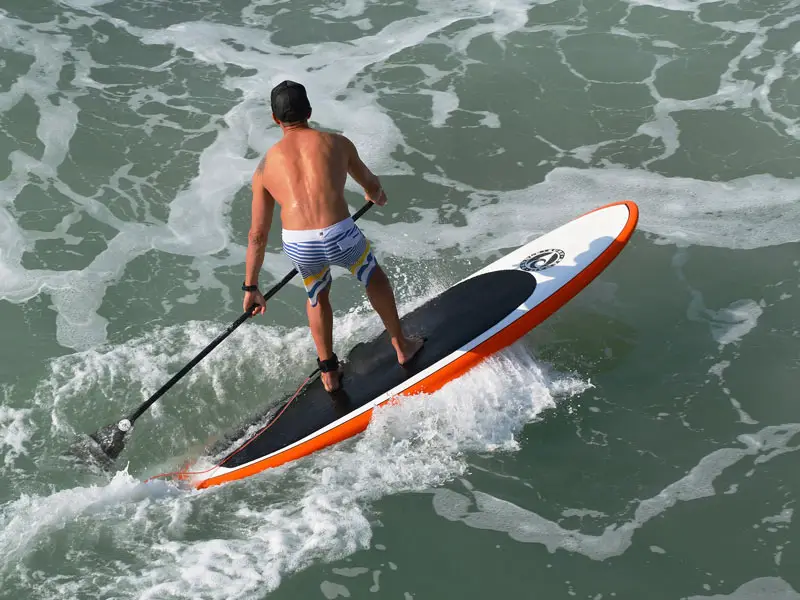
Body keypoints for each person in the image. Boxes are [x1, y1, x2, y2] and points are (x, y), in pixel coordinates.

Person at [242, 80, 424, 392]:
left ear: (275, 120)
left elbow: (257, 235)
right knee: (372, 275)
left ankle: (328, 372)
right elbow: (370, 183)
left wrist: (251, 286)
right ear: (309, 112)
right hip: (340, 234)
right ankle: (401, 345)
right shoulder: (337, 143)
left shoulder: (264, 167)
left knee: (316, 294)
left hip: (300, 244)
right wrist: (376, 194)